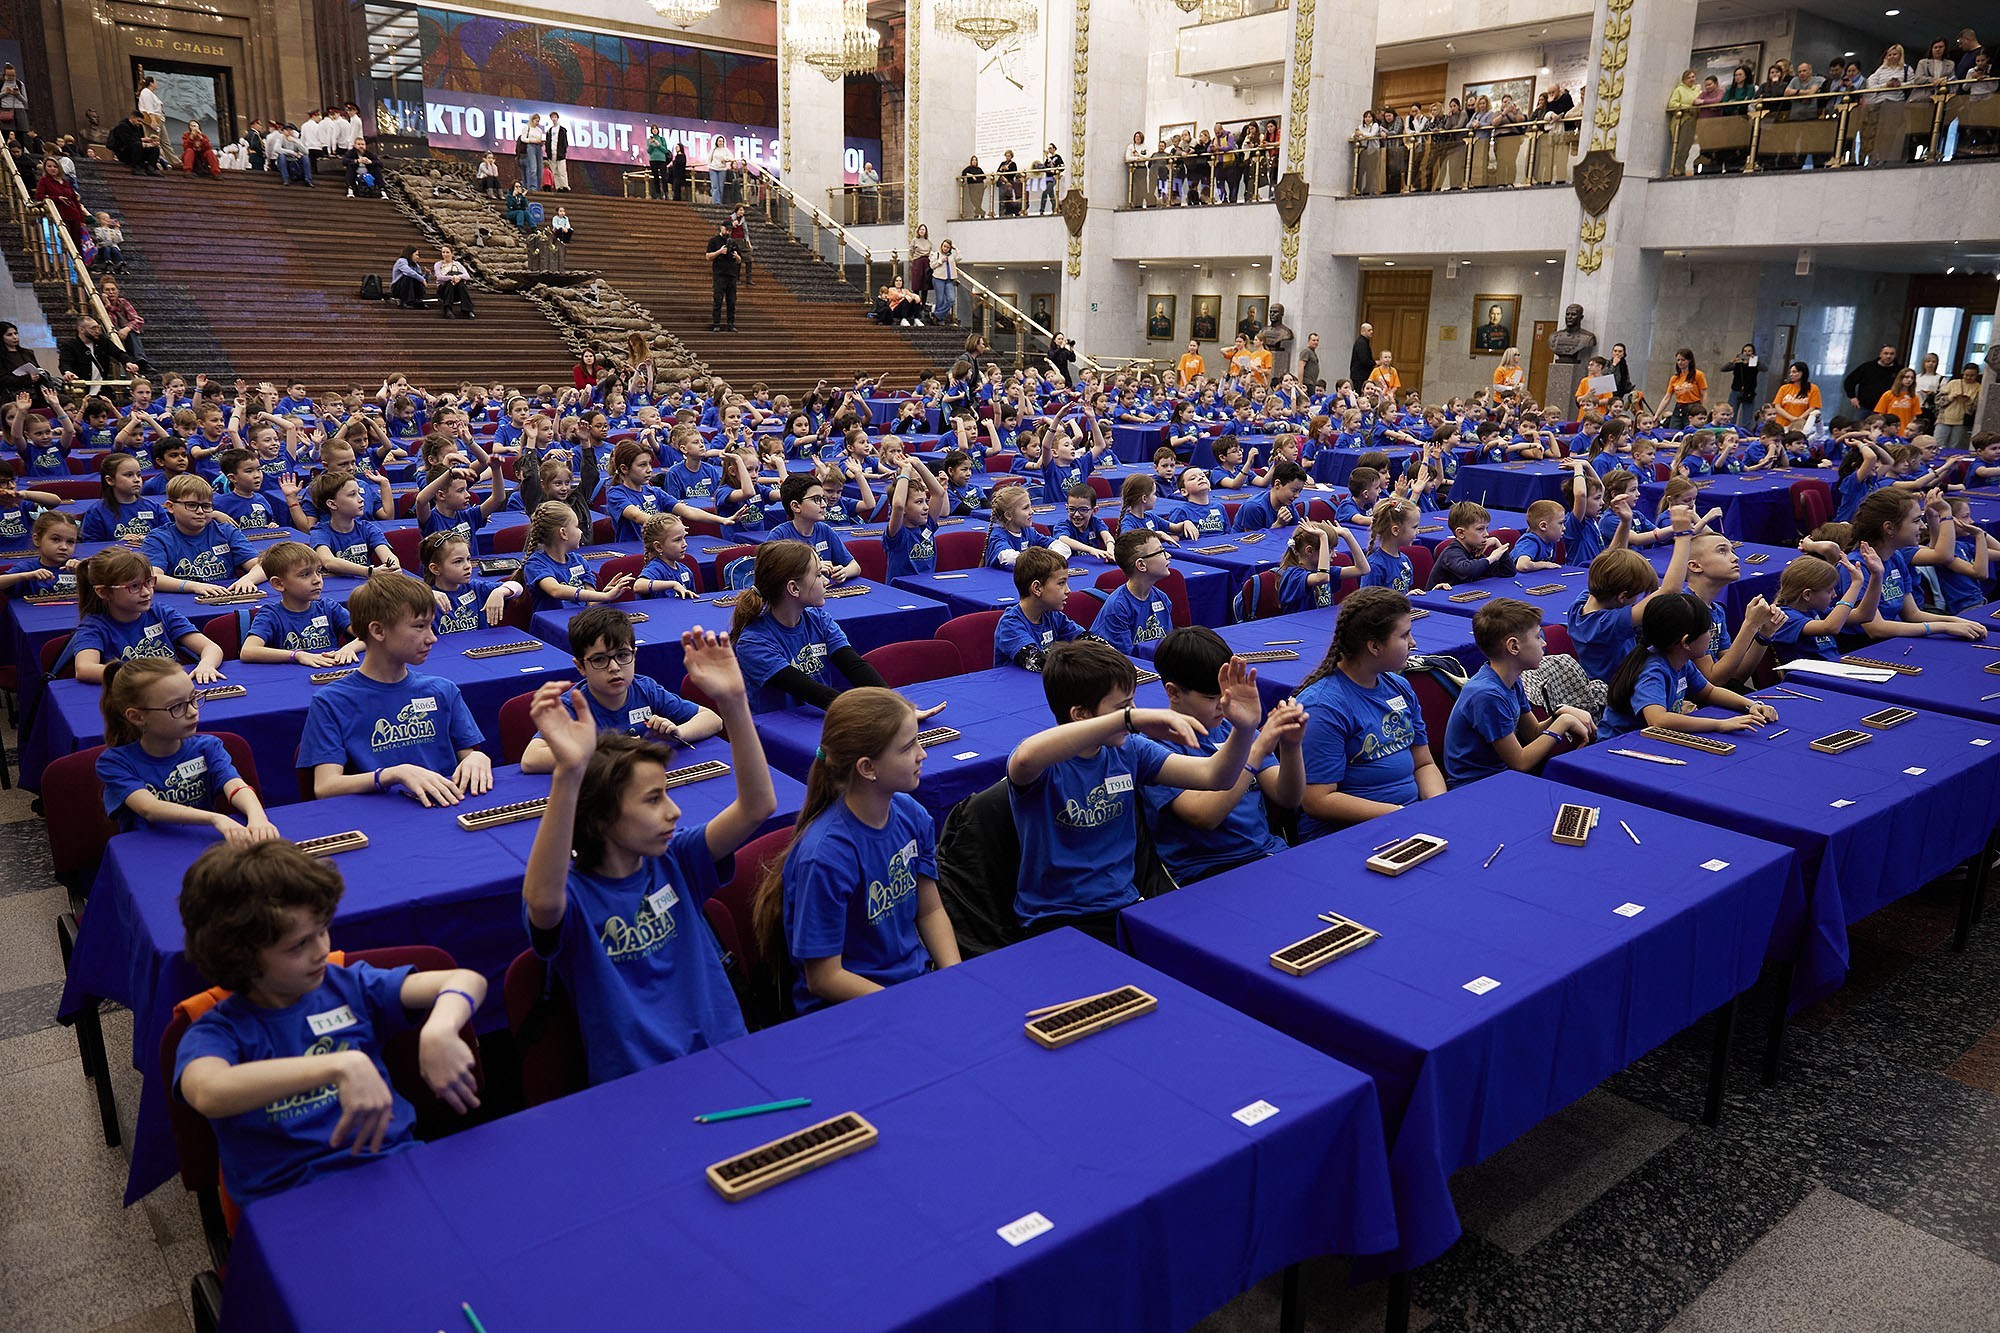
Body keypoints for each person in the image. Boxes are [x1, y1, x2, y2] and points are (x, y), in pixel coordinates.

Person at [518, 631, 774, 1086]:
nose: (673, 811)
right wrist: (569, 775)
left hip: (729, 1055)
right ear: (602, 817)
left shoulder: (677, 859)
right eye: (653, 799)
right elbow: (541, 899)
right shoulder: (573, 896)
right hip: (638, 1084)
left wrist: (734, 703)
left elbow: (757, 806)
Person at [173, 839, 486, 1205]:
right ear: (240, 957)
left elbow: (464, 980)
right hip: (292, 1203)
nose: (322, 949)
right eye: (299, 945)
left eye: (323, 930)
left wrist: (440, 1028)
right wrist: (339, 1064)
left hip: (396, 1172)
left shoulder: (348, 986)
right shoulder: (218, 1031)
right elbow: (209, 1091)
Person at [1007, 638, 1263, 944]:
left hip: (1125, 905)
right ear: (1081, 714)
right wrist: (1129, 719)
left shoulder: (1129, 750)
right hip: (1057, 919)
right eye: (1123, 705)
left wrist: (1245, 730)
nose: (1135, 711)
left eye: (1133, 702)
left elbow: (1215, 776)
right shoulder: (1044, 764)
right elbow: (1023, 757)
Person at [756, 687, 960, 1013]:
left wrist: (955, 977)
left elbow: (930, 910)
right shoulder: (824, 856)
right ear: (867, 768)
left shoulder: (911, 814)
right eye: (908, 747)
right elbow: (824, 977)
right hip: (848, 1009)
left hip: (911, 988)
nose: (922, 754)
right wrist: (906, 1005)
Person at [298, 572, 490, 802]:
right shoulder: (331, 702)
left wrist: (477, 760)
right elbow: (326, 786)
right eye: (419, 626)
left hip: (445, 804)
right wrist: (393, 774)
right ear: (378, 631)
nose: (432, 638)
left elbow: (469, 756)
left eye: (431, 625)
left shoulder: (443, 690)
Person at [1295, 588, 1443, 838]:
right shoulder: (1322, 707)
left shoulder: (1399, 686)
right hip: (1349, 833)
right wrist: (1399, 814)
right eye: (1405, 635)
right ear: (1374, 646)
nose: (1413, 643)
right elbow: (1317, 800)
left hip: (1406, 819)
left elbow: (1424, 763)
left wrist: (1437, 808)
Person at [1442, 599, 1595, 786]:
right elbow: (1520, 762)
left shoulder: (1511, 681)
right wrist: (1563, 723)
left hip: (1501, 778)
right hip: (1477, 786)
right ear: (1513, 647)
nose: (1545, 644)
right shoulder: (1488, 695)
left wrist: (1559, 714)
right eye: (1538, 637)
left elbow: (1532, 733)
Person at [1599, 592, 1777, 737]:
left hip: (1652, 739)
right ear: (1686, 642)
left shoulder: (1681, 661)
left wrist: (1751, 705)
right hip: (1618, 745)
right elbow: (1658, 720)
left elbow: (1709, 692)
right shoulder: (1652, 672)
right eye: (1707, 630)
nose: (1710, 635)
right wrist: (1719, 724)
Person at [66, 546, 225, 685]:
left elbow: (211, 647)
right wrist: (143, 675)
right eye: (134, 586)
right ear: (104, 592)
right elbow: (84, 669)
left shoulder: (161, 613)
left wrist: (206, 665)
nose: (146, 592)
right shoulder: (94, 626)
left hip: (172, 689)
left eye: (149, 582)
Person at [706, 220, 741, 333]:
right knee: (718, 300)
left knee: (731, 301)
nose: (728, 231)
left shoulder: (733, 242)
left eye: (730, 230)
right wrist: (719, 252)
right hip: (720, 275)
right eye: (727, 229)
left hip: (732, 275)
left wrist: (736, 256)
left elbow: (740, 260)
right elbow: (708, 256)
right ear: (721, 228)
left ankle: (730, 324)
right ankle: (716, 323)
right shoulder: (714, 241)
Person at [433, 245, 474, 319]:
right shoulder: (438, 264)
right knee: (450, 282)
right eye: (443, 252)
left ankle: (467, 310)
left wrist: (458, 277)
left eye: (447, 252)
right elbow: (439, 277)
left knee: (461, 284)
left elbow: (467, 276)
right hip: (444, 289)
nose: (445, 254)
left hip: (457, 290)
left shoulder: (457, 264)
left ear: (452, 253)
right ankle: (447, 309)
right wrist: (452, 277)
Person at [932, 238, 958, 324]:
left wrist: (956, 248)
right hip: (938, 278)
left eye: (947, 247)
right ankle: (940, 320)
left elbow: (960, 257)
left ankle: (937, 314)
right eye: (944, 246)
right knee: (940, 299)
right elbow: (932, 265)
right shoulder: (936, 254)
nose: (945, 248)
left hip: (949, 279)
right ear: (941, 246)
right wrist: (940, 261)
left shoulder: (952, 255)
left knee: (951, 299)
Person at [519, 113, 545, 190]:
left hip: (538, 147)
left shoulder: (539, 130)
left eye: (538, 121)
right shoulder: (527, 128)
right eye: (536, 121)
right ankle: (532, 187)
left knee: (540, 168)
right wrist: (533, 140)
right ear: (532, 120)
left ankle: (538, 187)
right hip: (530, 146)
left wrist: (540, 142)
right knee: (533, 167)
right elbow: (523, 139)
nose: (537, 123)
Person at [546, 111, 570, 192]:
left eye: (555, 117)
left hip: (560, 154)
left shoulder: (562, 130)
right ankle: (559, 187)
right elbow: (548, 142)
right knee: (555, 172)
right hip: (552, 154)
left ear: (557, 118)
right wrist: (548, 152)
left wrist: (563, 151)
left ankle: (565, 186)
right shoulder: (549, 131)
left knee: (562, 171)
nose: (554, 119)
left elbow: (565, 142)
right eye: (552, 117)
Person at [1349, 321, 1375, 389]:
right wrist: (1374, 363)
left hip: (1360, 375)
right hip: (1360, 375)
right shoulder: (1361, 343)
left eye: (1372, 330)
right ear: (1363, 331)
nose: (1371, 332)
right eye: (1369, 330)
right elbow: (1364, 360)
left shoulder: (1364, 342)